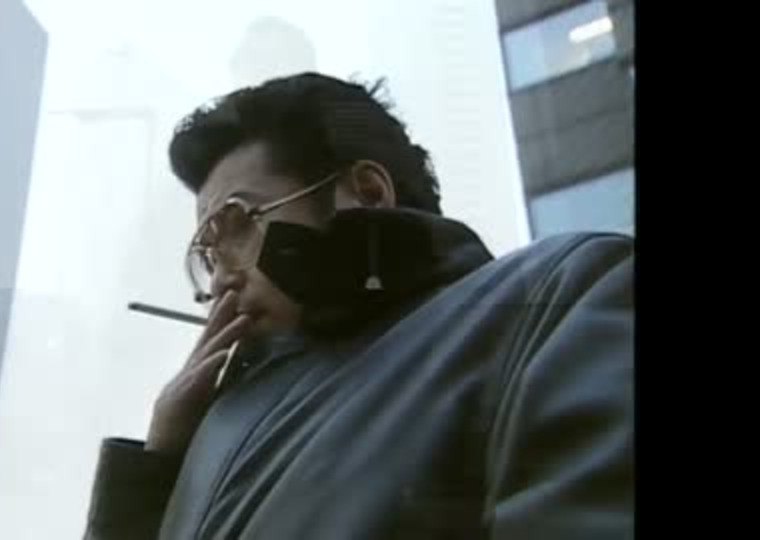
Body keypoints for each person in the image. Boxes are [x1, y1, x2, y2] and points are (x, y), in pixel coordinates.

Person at [83, 72, 634, 539]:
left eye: (239, 224)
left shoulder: (558, 298)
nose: (223, 276)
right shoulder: (207, 429)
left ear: (368, 193)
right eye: (207, 254)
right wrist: (155, 470)